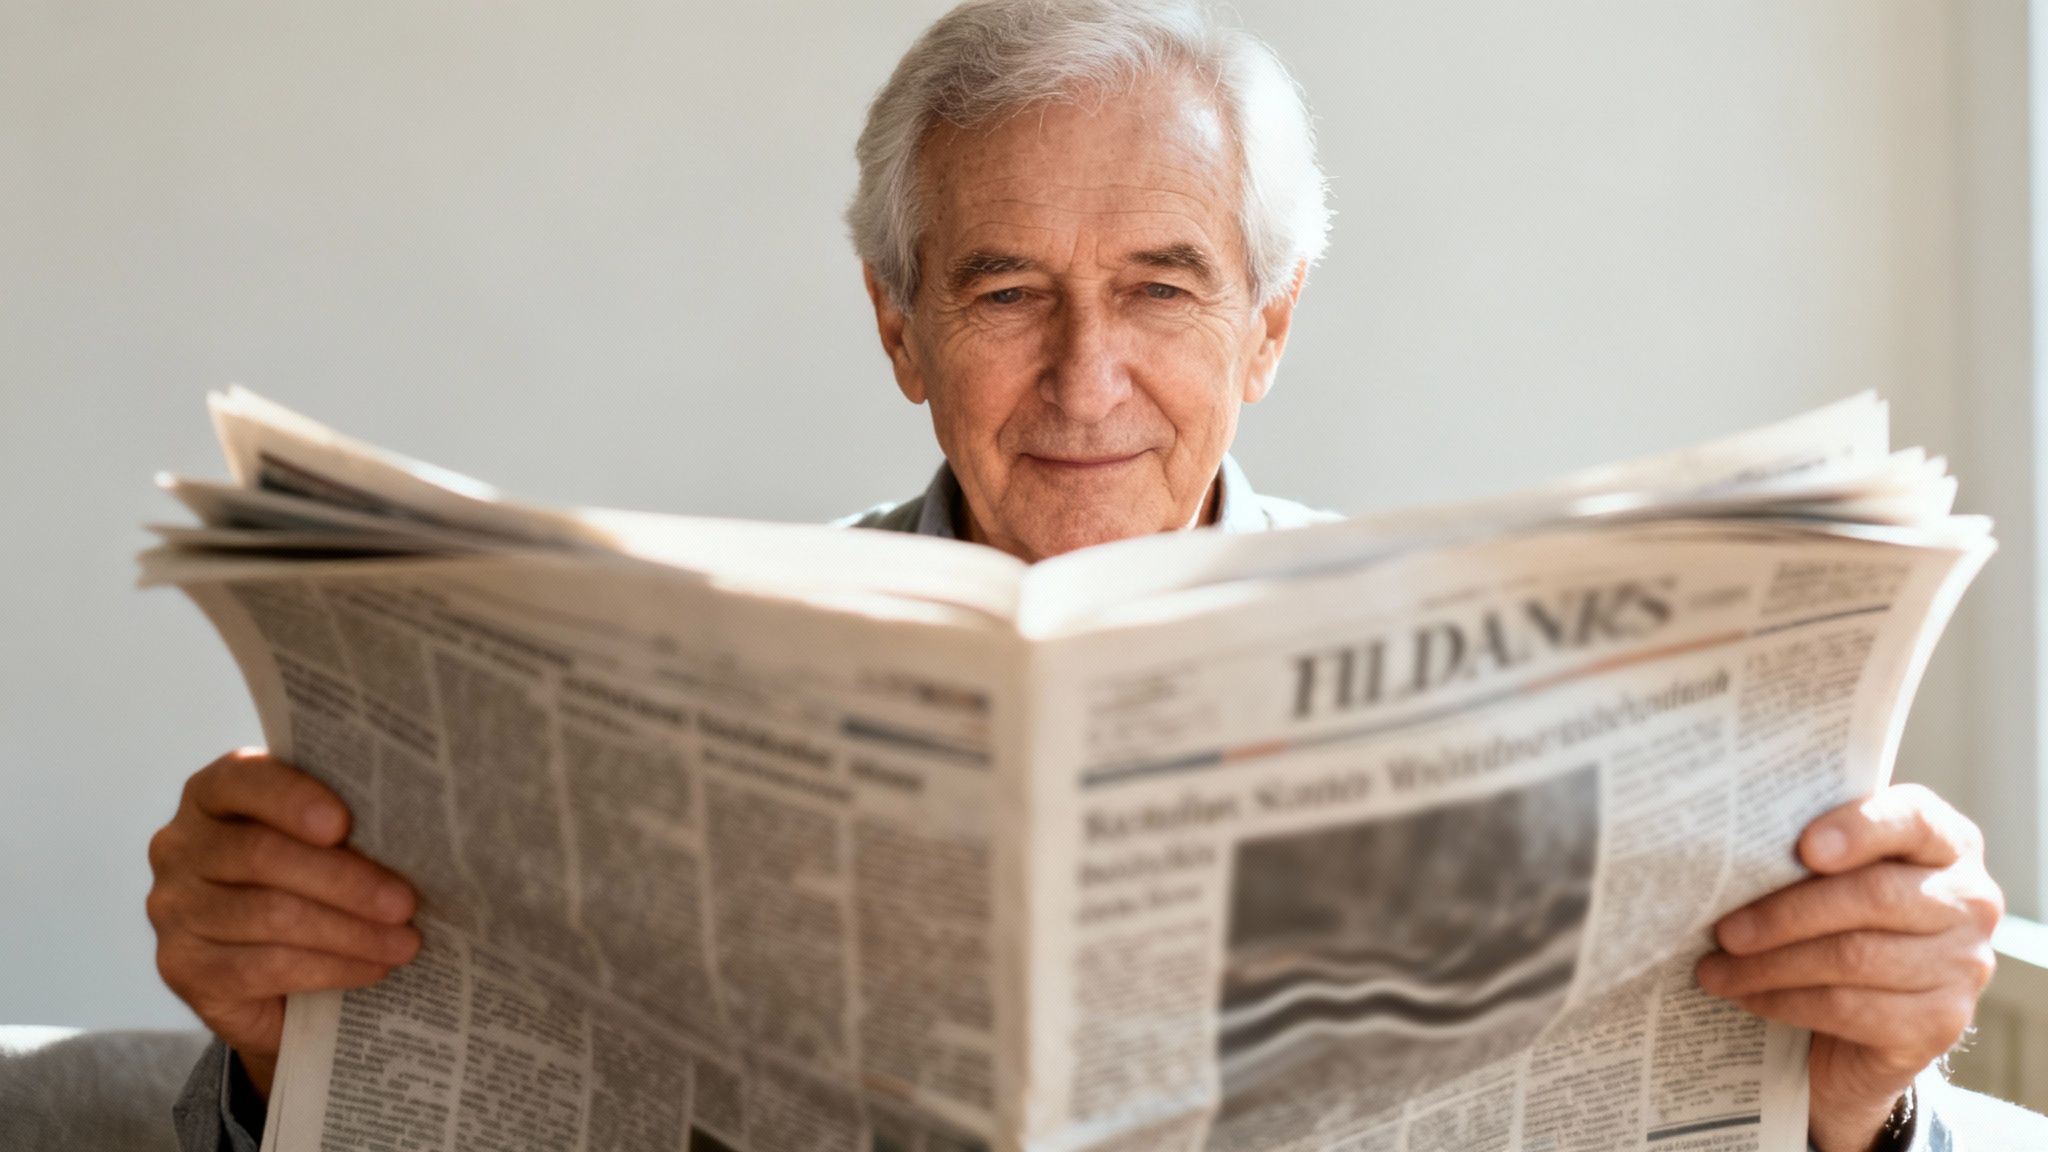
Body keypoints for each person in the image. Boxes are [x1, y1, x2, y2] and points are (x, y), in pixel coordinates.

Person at [151, 2, 2013, 1150]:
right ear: (898, 331)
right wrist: (268, 1054)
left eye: (1162, 286)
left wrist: (1859, 1104)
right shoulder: (693, 683)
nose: (1084, 384)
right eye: (1005, 292)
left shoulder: (1488, 685)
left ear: (1270, 328)